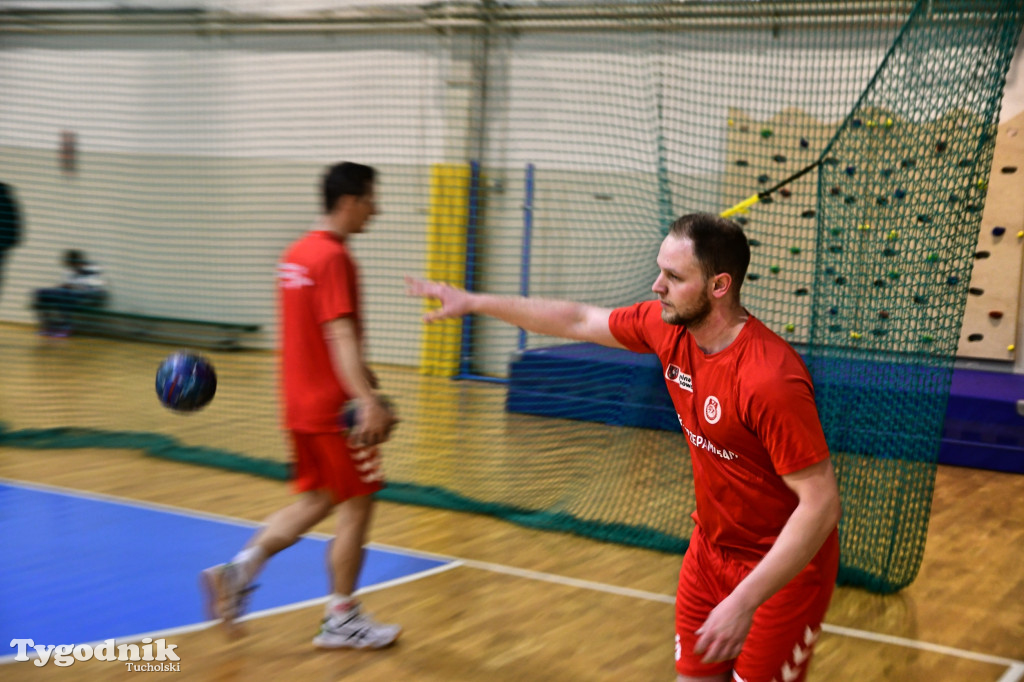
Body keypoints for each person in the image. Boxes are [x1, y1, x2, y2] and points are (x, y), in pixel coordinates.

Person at [406, 212, 841, 682]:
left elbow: (820, 506)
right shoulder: (667, 327)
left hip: (782, 574)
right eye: (661, 270)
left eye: (674, 277)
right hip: (710, 552)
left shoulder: (769, 378)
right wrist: (473, 300)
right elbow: (577, 318)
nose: (657, 286)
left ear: (719, 286)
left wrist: (744, 600)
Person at [202, 161, 401, 649]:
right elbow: (338, 334)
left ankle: (238, 569)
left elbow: (315, 335)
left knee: (317, 500)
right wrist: (366, 399)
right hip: (336, 413)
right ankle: (342, 617)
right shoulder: (335, 259)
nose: (377, 209)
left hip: (298, 404)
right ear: (349, 201)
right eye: (372, 198)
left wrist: (360, 378)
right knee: (359, 504)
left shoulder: (296, 254)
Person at [33, 249, 108, 337]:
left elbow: (93, 286)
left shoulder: (92, 268)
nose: (71, 267)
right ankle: (49, 326)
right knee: (42, 293)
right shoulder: (70, 270)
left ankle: (67, 326)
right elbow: (66, 284)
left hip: (89, 295)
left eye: (72, 264)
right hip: (71, 293)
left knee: (64, 294)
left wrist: (73, 285)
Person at [0, 181, 22, 304]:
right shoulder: (9, 202)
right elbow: (16, 224)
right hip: (4, 247)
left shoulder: (8, 203)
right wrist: (12, 242)